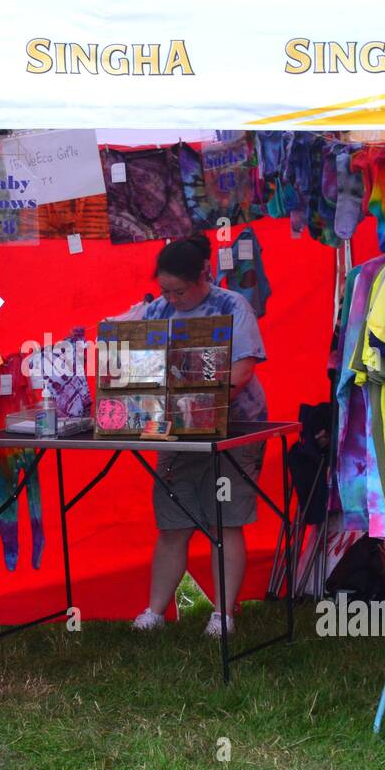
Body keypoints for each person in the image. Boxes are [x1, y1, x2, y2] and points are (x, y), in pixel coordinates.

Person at [127, 235, 269, 639]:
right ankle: (154, 612)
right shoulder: (156, 310)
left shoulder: (231, 306)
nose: (172, 298)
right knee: (173, 523)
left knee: (225, 521)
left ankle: (223, 615)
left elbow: (242, 373)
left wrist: (196, 397)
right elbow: (126, 341)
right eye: (165, 290)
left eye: (180, 290)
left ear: (203, 276)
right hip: (175, 434)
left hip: (234, 429)